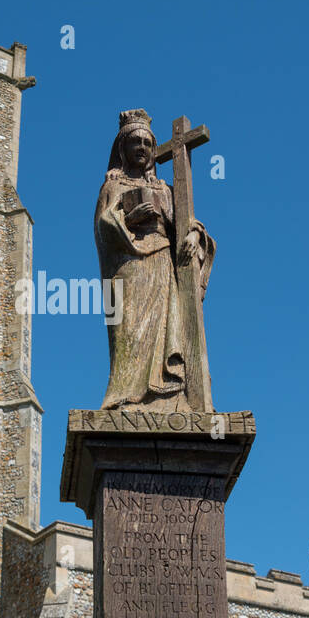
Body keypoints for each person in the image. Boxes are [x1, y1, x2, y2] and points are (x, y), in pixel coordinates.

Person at [94, 109, 214, 410]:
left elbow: (188, 224)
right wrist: (129, 219)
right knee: (130, 332)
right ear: (122, 148)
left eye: (147, 143)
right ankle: (126, 394)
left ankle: (169, 391)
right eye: (135, 142)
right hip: (129, 266)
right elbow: (102, 226)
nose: (142, 149)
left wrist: (191, 238)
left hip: (162, 262)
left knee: (166, 327)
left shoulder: (165, 189)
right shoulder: (113, 187)